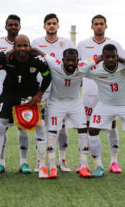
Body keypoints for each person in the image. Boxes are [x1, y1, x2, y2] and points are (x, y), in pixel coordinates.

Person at [0, 34, 51, 180]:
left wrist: (39, 94)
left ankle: (43, 166)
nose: (22, 48)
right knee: (0, 127)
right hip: (9, 95)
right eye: (19, 45)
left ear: (29, 47)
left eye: (25, 45)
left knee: (40, 126)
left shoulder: (37, 60)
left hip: (30, 96)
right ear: (14, 47)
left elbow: (47, 76)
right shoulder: (6, 57)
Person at [35, 48, 101, 178]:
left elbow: (99, 58)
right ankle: (53, 167)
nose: (71, 63)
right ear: (62, 60)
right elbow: (41, 53)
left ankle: (83, 166)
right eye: (68, 60)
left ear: (78, 60)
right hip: (56, 103)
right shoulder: (54, 64)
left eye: (74, 60)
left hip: (75, 103)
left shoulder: (83, 66)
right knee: (52, 133)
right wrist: (31, 48)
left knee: (83, 131)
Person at [87, 44, 125, 178]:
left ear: (117, 56)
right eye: (107, 57)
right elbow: (81, 68)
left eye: (113, 56)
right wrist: (96, 59)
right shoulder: (95, 70)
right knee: (92, 130)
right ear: (102, 57)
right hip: (105, 104)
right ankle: (98, 166)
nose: (110, 59)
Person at [76, 14, 125, 173]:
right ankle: (84, 162)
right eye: (96, 24)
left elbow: (124, 63)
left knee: (112, 125)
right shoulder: (83, 44)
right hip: (89, 92)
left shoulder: (114, 44)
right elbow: (76, 65)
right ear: (91, 27)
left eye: (101, 24)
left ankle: (114, 162)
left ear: (106, 26)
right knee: (87, 127)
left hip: (108, 93)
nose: (99, 26)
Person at [31, 13, 75, 172]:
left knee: (62, 127)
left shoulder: (67, 43)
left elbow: (74, 64)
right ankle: (40, 159)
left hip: (60, 91)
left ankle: (62, 160)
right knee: (40, 126)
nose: (51, 26)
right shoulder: (36, 43)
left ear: (58, 26)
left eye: (54, 23)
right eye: (48, 23)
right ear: (44, 26)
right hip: (41, 91)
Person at [0, 14, 23, 172]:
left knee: (24, 126)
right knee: (1, 127)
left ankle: (23, 162)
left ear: (20, 27)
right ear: (6, 27)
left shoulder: (24, 42)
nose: (13, 27)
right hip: (3, 90)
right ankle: (0, 162)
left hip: (22, 90)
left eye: (16, 25)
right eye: (11, 25)